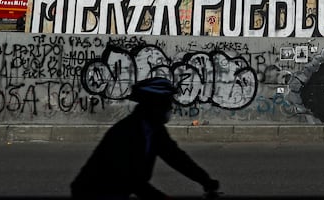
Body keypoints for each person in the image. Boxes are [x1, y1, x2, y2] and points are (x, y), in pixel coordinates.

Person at [71, 77, 220, 200]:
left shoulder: (154, 129)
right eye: (166, 102)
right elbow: (133, 181)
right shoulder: (125, 132)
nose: (170, 107)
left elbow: (176, 157)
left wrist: (205, 180)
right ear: (153, 104)